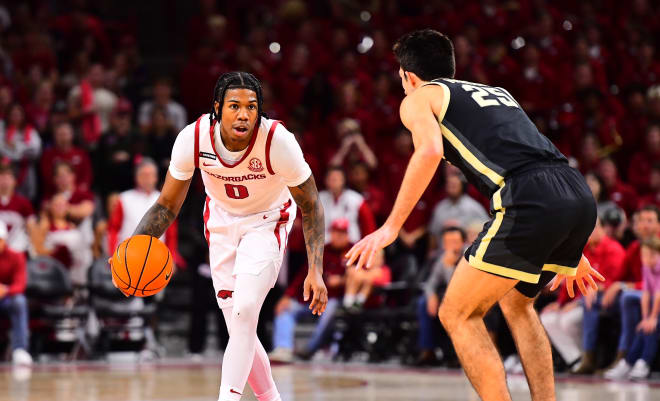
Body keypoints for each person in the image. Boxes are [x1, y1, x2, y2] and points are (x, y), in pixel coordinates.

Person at [346, 30, 602, 401]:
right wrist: (568, 241)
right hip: (574, 191)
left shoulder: (419, 98)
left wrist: (390, 227)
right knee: (518, 303)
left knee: (457, 314)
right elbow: (528, 154)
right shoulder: (497, 92)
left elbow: (430, 151)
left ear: (409, 76)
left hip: (529, 197)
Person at [110, 72, 327, 401]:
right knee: (239, 325)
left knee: (245, 309)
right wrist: (133, 245)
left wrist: (316, 269)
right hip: (222, 223)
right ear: (217, 108)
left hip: (267, 221)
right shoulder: (193, 138)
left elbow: (311, 205)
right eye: (235, 106)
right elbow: (167, 205)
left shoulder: (277, 141)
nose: (243, 114)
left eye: (252, 107)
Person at [542, 218, 624, 371]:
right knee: (548, 318)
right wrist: (560, 304)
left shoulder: (613, 249)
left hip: (597, 301)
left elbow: (613, 280)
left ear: (602, 229)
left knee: (568, 321)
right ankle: (575, 359)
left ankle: (588, 358)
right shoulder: (583, 250)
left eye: (592, 229)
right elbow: (568, 278)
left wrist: (578, 301)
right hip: (579, 300)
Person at [269, 218, 350, 362]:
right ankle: (283, 349)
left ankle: (308, 350)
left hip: (334, 301)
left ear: (347, 234)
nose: (339, 236)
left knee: (331, 309)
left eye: (342, 233)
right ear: (331, 233)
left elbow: (361, 277)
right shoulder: (321, 251)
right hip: (310, 299)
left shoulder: (353, 251)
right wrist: (287, 296)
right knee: (285, 309)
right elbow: (303, 275)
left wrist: (342, 280)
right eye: (336, 232)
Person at [605, 236, 660, 379]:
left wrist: (652, 318)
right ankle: (632, 362)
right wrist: (645, 318)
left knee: (652, 326)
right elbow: (646, 293)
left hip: (658, 302)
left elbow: (658, 294)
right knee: (644, 327)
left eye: (652, 255)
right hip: (654, 301)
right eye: (644, 255)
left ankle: (642, 362)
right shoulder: (647, 268)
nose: (648, 258)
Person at [0, 221, 31, 365]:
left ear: (4, 240)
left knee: (19, 301)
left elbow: (20, 284)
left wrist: (5, 290)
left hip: (6, 299)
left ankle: (20, 349)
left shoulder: (16, 256)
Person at [319, 166, 376, 244]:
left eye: (337, 179)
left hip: (352, 245)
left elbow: (369, 227)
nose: (334, 182)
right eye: (331, 179)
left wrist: (368, 244)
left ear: (344, 180)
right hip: (325, 247)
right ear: (326, 180)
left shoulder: (356, 199)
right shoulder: (318, 199)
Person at [0, 163, 35, 253]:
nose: (5, 181)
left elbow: (32, 227)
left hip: (18, 250)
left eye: (8, 177)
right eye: (2, 177)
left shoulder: (24, 203)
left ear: (15, 181)